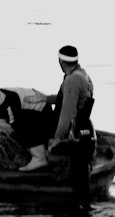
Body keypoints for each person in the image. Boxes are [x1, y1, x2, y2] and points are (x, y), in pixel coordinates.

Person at [20, 44, 95, 174]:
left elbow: (67, 114)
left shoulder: (72, 81)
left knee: (25, 117)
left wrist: (57, 138)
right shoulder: (83, 75)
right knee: (42, 110)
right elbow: (69, 98)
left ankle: (39, 158)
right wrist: (45, 98)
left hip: (68, 127)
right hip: (77, 123)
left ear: (60, 61)